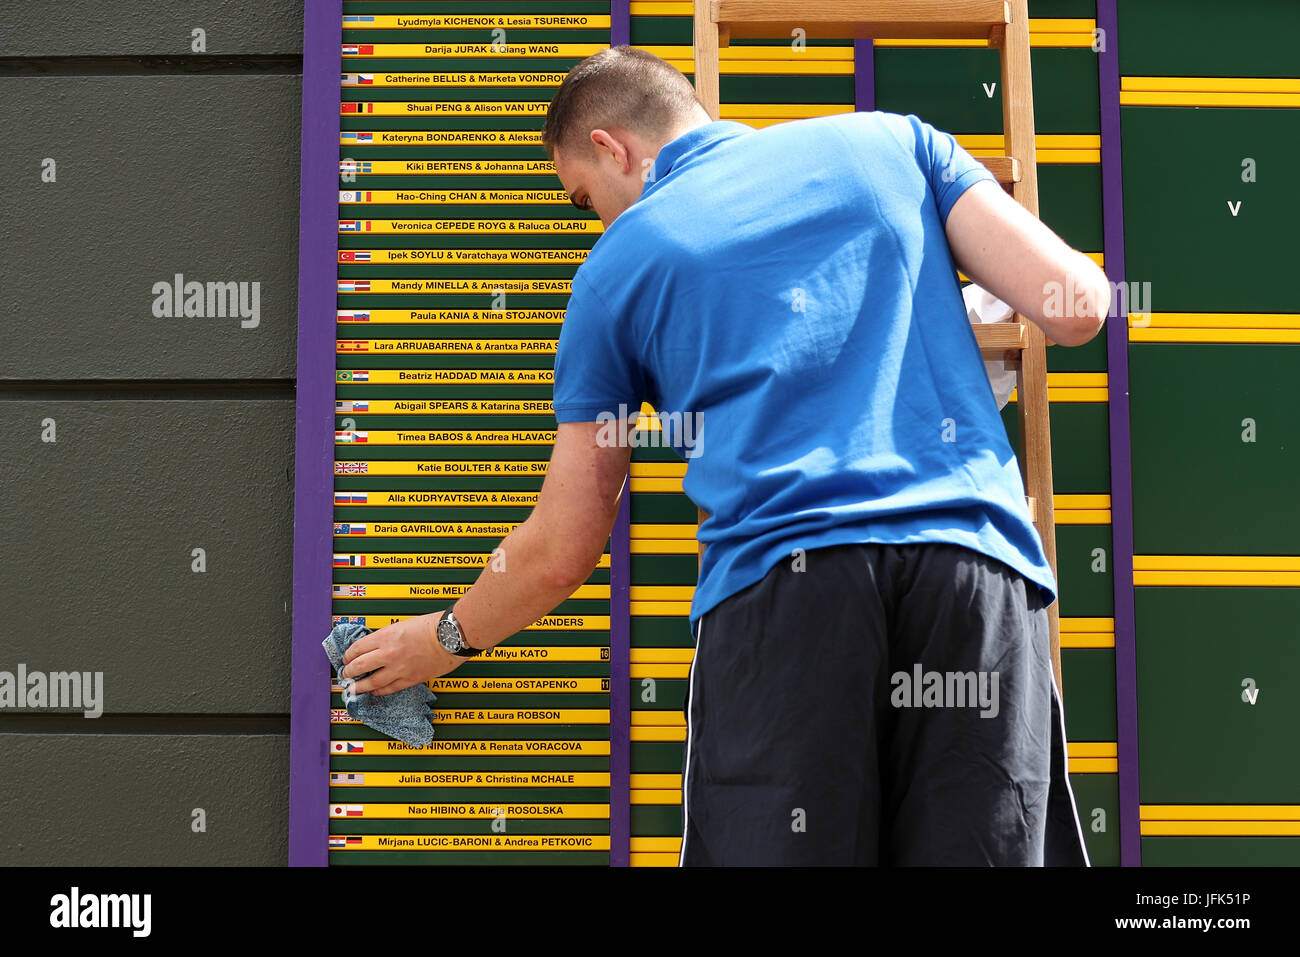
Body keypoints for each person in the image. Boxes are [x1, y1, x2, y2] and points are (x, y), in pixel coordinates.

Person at [341, 45, 1109, 866]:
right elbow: (1079, 306)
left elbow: (562, 548)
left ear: (612, 148)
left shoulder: (618, 266)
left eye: (582, 199)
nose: (594, 218)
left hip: (788, 596)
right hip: (976, 579)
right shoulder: (895, 144)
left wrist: (443, 637)